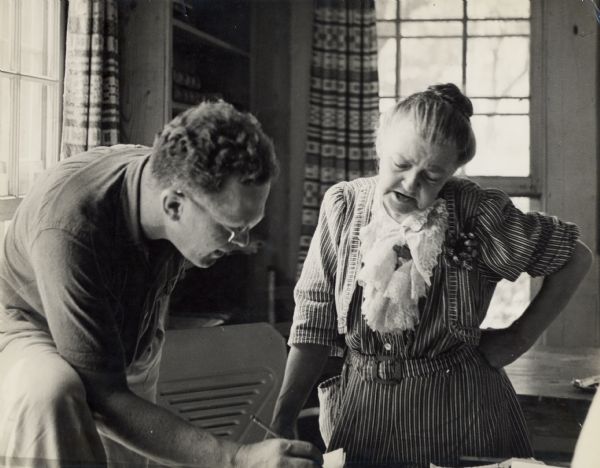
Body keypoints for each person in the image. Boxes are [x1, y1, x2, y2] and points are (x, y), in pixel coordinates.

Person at [271, 84, 593, 467]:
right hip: (361, 419)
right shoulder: (342, 208)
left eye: (432, 175)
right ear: (380, 145)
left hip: (463, 418)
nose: (411, 184)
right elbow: (313, 325)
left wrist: (518, 337)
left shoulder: (476, 212)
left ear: (452, 174)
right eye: (401, 164)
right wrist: (283, 417)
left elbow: (576, 257)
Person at [0, 101, 323, 468]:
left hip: (126, 333)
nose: (243, 243)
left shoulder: (170, 180)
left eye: (251, 225)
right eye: (233, 228)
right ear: (172, 207)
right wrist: (237, 457)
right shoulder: (73, 226)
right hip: (29, 323)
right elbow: (104, 396)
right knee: (54, 390)